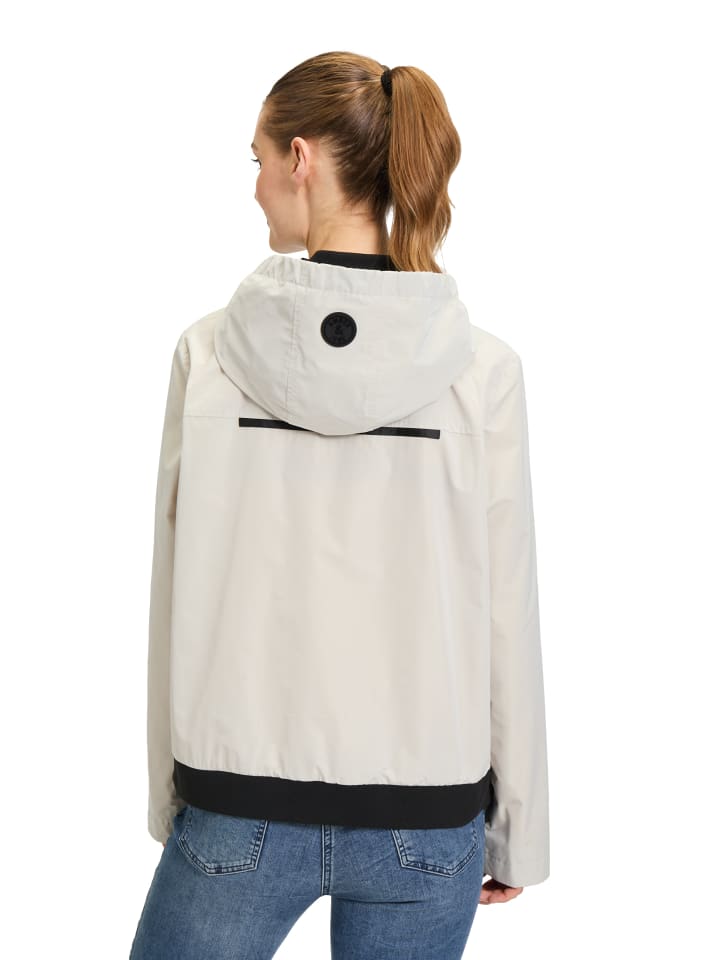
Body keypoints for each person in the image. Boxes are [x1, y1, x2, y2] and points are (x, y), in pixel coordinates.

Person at [130, 50, 550, 960]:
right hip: (426, 822)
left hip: (236, 802)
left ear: (301, 159)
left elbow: (172, 590)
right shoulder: (483, 371)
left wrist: (171, 798)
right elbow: (506, 615)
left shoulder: (209, 356)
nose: (253, 186)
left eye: (256, 159)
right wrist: (520, 829)